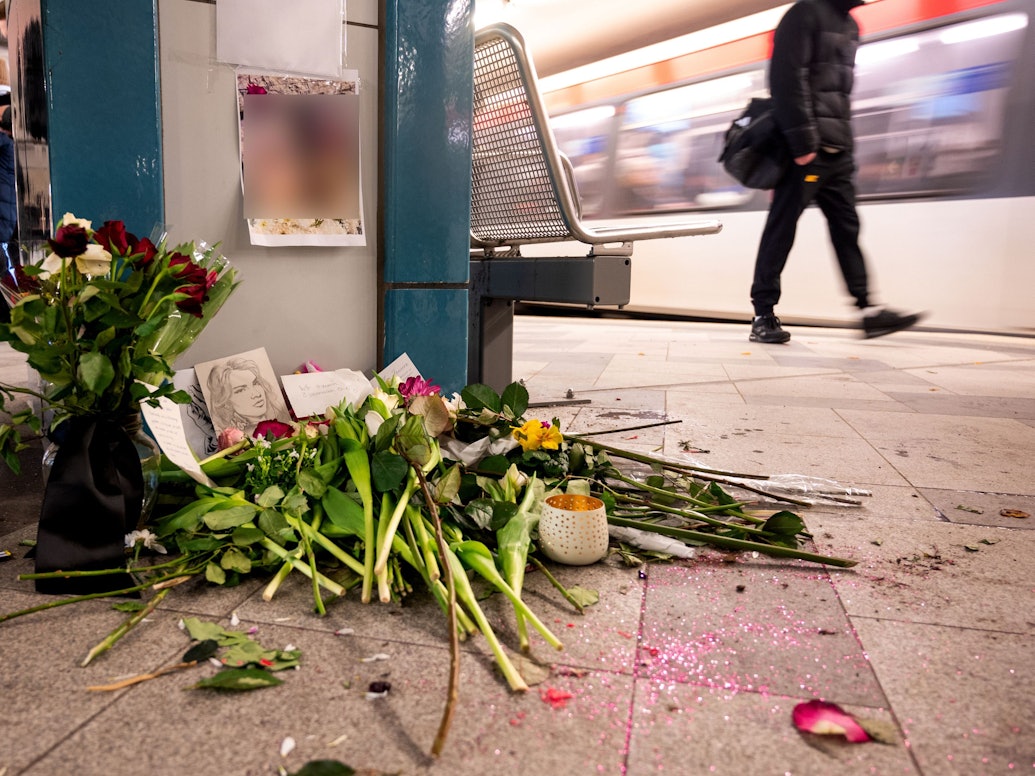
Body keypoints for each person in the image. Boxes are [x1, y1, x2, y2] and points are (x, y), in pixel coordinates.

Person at [748, 0, 922, 344]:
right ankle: (762, 314)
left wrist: (846, 146)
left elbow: (839, 93)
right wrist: (803, 145)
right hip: (806, 152)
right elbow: (786, 79)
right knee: (781, 231)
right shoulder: (803, 14)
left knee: (847, 228)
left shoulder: (850, 25)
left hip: (838, 151)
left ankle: (868, 310)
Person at [205, 357, 289, 436]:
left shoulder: (283, 418)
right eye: (241, 390)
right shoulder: (236, 438)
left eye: (256, 383)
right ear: (225, 402)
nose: (257, 394)